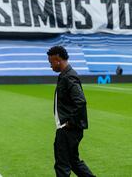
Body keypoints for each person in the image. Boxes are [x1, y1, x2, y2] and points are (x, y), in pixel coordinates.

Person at [47, 46, 95, 177]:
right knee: (73, 162)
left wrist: (70, 122)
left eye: (51, 63)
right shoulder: (66, 75)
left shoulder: (69, 76)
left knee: (62, 165)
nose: (50, 66)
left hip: (68, 129)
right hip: (70, 129)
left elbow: (80, 101)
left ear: (57, 60)